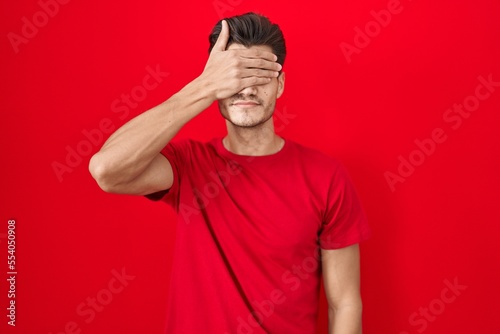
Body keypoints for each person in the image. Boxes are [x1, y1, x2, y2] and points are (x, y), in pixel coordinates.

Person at [89, 12, 371, 334]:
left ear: (279, 85)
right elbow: (106, 169)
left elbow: (344, 302)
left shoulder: (326, 177)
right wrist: (202, 87)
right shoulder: (188, 165)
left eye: (259, 75)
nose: (246, 89)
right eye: (235, 76)